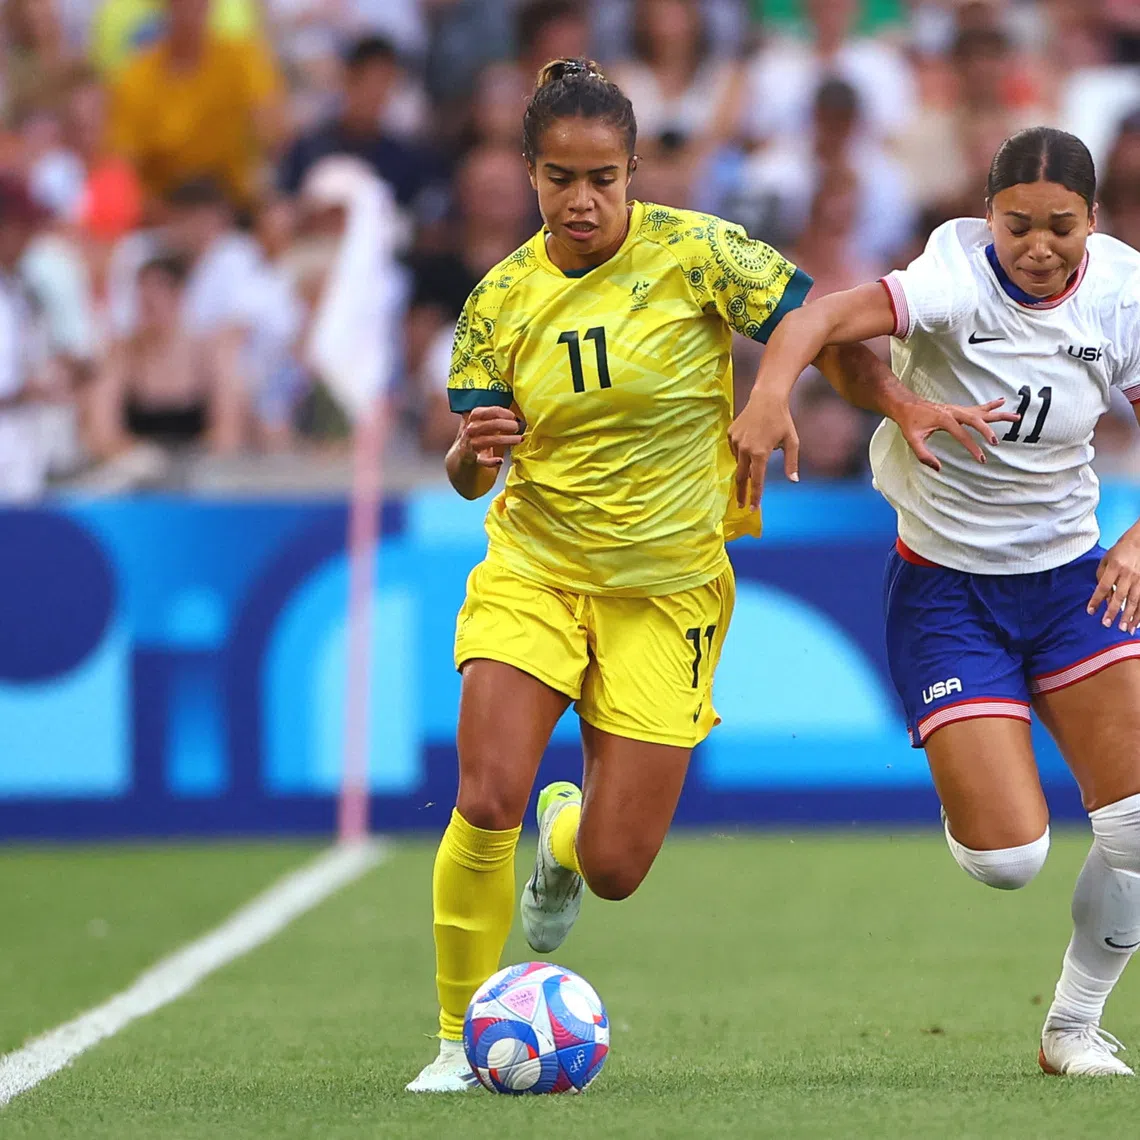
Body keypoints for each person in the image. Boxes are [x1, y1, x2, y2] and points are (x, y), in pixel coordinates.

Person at [406, 57, 1011, 1093]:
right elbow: (465, 475)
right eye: (560, 179)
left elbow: (816, 330)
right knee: (484, 790)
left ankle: (566, 834)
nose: (583, 199)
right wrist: (475, 452)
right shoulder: (496, 302)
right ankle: (457, 1039)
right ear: (530, 174)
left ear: (635, 170)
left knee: (614, 867)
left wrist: (900, 406)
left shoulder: (701, 253)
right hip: (537, 571)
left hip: (671, 591)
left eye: (604, 177)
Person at [730, 126, 1140, 1077]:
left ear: (1094, 223)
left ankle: (1073, 1028)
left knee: (1136, 834)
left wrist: (1135, 540)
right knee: (1010, 861)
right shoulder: (951, 281)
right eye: (1017, 225)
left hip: (1072, 579)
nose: (1038, 248)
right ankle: (974, 762)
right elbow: (818, 318)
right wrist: (770, 397)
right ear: (987, 214)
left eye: (1061, 229)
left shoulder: (1123, 292)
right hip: (947, 589)